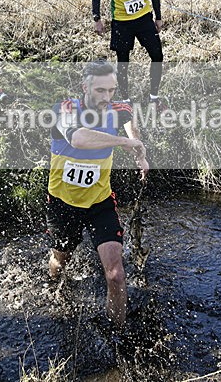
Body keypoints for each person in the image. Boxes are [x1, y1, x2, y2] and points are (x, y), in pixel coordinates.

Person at [46, 61, 149, 327]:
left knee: (116, 275)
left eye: (111, 90)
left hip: (100, 203)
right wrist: (124, 142)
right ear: (85, 87)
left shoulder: (118, 109)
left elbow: (130, 123)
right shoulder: (65, 109)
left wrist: (139, 152)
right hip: (63, 203)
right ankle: (53, 290)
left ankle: (116, 332)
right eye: (100, 91)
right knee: (60, 260)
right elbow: (78, 139)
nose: (106, 97)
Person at [92, 0, 164, 109]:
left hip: (144, 19)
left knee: (157, 55)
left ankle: (154, 97)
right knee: (123, 62)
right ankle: (125, 100)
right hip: (122, 22)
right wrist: (97, 19)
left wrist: (158, 17)